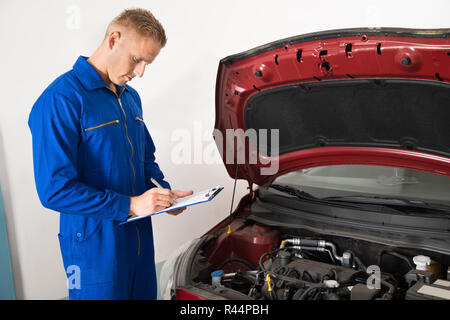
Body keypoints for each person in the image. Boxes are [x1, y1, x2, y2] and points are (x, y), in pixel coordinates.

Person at [28, 8, 193, 300]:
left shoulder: (130, 98)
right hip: (93, 248)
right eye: (137, 59)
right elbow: (54, 190)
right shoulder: (61, 100)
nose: (140, 71)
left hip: (139, 242)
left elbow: (145, 163)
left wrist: (164, 196)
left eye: (147, 64)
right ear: (114, 39)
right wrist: (129, 204)